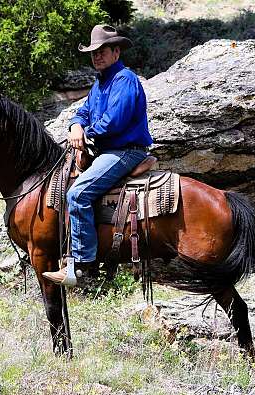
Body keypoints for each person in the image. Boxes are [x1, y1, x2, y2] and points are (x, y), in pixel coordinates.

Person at [43, 24, 153, 285]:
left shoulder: (125, 79)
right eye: (93, 52)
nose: (97, 56)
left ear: (116, 52)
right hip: (107, 150)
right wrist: (75, 126)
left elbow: (114, 121)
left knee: (77, 193)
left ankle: (82, 267)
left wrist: (86, 133)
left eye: (102, 51)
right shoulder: (100, 83)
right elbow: (82, 111)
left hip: (124, 151)